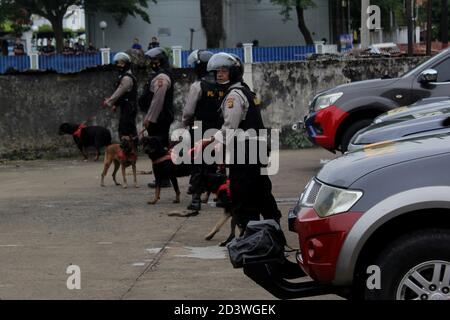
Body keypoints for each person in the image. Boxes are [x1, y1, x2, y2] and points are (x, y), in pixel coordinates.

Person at [204, 52, 282, 230]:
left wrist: (210, 143)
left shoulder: (233, 96)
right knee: (262, 191)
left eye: (224, 71)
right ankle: (273, 228)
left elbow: (229, 127)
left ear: (233, 72)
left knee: (242, 195)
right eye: (217, 72)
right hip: (257, 150)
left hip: (244, 154)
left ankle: (250, 234)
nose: (219, 75)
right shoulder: (247, 91)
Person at [182, 49, 229, 211]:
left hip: (200, 128)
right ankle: (222, 197)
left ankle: (195, 199)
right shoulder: (225, 84)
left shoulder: (198, 85)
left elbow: (188, 111)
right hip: (221, 128)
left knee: (198, 163)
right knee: (219, 162)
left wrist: (185, 124)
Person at [143, 47, 175, 188]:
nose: (152, 62)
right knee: (159, 147)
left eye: (154, 60)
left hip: (159, 119)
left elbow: (158, 100)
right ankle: (162, 178)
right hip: (161, 118)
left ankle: (164, 179)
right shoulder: (158, 75)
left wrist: (150, 118)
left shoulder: (161, 77)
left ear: (161, 61)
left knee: (159, 148)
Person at [103, 52, 138, 144]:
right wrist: (115, 104)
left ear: (127, 64)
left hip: (129, 107)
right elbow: (122, 94)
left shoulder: (127, 78)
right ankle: (130, 149)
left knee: (125, 129)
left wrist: (109, 102)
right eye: (118, 63)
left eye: (122, 63)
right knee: (127, 128)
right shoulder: (123, 76)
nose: (119, 65)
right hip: (126, 106)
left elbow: (119, 92)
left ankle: (129, 150)